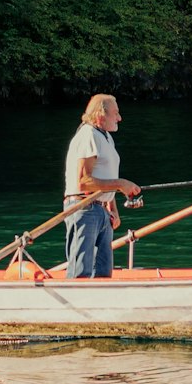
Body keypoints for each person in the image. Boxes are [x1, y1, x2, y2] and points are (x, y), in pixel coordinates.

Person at [63, 94, 141, 279]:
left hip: (101, 211)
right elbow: (84, 182)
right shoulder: (88, 135)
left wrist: (111, 208)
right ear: (100, 115)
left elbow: (105, 175)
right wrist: (121, 184)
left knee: (104, 271)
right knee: (81, 271)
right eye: (116, 113)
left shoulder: (105, 136)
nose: (119, 118)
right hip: (84, 208)